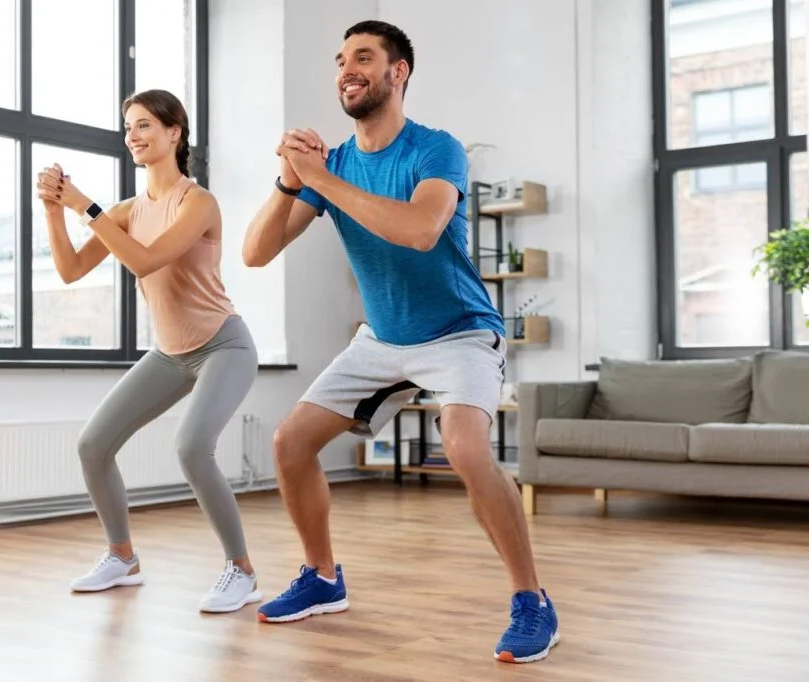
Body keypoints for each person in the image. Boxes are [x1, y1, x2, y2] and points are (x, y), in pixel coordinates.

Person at [241, 21, 559, 663]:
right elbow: (255, 252)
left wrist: (321, 179)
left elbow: (418, 229)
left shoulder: (435, 149)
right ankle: (322, 577)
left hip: (459, 333)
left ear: (398, 72)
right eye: (339, 60)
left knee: (467, 449)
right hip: (382, 340)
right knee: (289, 443)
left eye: (363, 57)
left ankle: (533, 602)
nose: (346, 69)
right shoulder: (335, 166)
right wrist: (288, 180)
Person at [36, 89, 262, 614]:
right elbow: (70, 270)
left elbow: (146, 260)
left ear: (174, 132)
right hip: (169, 353)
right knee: (93, 444)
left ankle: (242, 571)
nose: (132, 136)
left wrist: (83, 206)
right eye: (127, 127)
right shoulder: (126, 210)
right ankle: (122, 558)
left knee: (191, 447)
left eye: (143, 126)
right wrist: (53, 210)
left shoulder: (198, 202)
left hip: (224, 345)